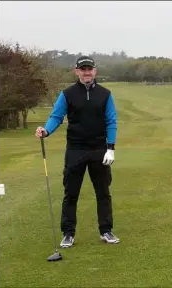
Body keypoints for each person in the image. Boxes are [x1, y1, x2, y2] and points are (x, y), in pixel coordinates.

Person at [35, 56, 120, 248]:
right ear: (76, 72)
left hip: (99, 150)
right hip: (75, 149)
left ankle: (106, 230)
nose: (87, 72)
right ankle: (68, 233)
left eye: (89, 69)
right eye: (83, 69)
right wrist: (46, 130)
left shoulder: (105, 94)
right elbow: (56, 116)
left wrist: (111, 148)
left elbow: (111, 121)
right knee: (71, 193)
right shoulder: (68, 94)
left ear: (95, 71)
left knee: (103, 193)